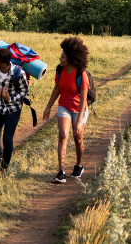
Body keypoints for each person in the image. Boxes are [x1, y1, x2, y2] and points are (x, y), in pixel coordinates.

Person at [42, 36, 90, 184]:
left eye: (63, 55)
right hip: (64, 106)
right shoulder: (59, 70)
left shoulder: (81, 74)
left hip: (79, 109)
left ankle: (79, 165)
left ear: (72, 57)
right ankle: (61, 172)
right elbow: (57, 89)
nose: (60, 57)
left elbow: (83, 99)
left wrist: (79, 122)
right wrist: (48, 107)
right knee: (63, 135)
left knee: (78, 137)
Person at [0, 47, 29, 172]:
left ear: (4, 64)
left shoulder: (19, 73)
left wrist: (9, 98)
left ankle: (3, 167)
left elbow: (24, 91)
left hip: (13, 109)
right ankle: (0, 156)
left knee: (7, 139)